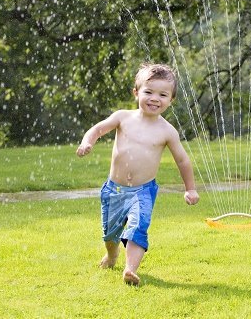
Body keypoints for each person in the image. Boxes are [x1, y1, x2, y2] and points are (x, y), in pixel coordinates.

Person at [76, 62, 199, 285]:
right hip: (114, 189)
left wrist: (190, 188)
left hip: (143, 191)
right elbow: (98, 129)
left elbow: (182, 160)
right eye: (148, 92)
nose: (155, 98)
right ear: (136, 92)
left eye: (163, 94)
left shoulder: (167, 131)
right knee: (110, 234)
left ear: (171, 100)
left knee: (138, 227)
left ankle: (130, 269)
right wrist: (87, 142)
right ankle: (112, 255)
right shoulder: (123, 117)